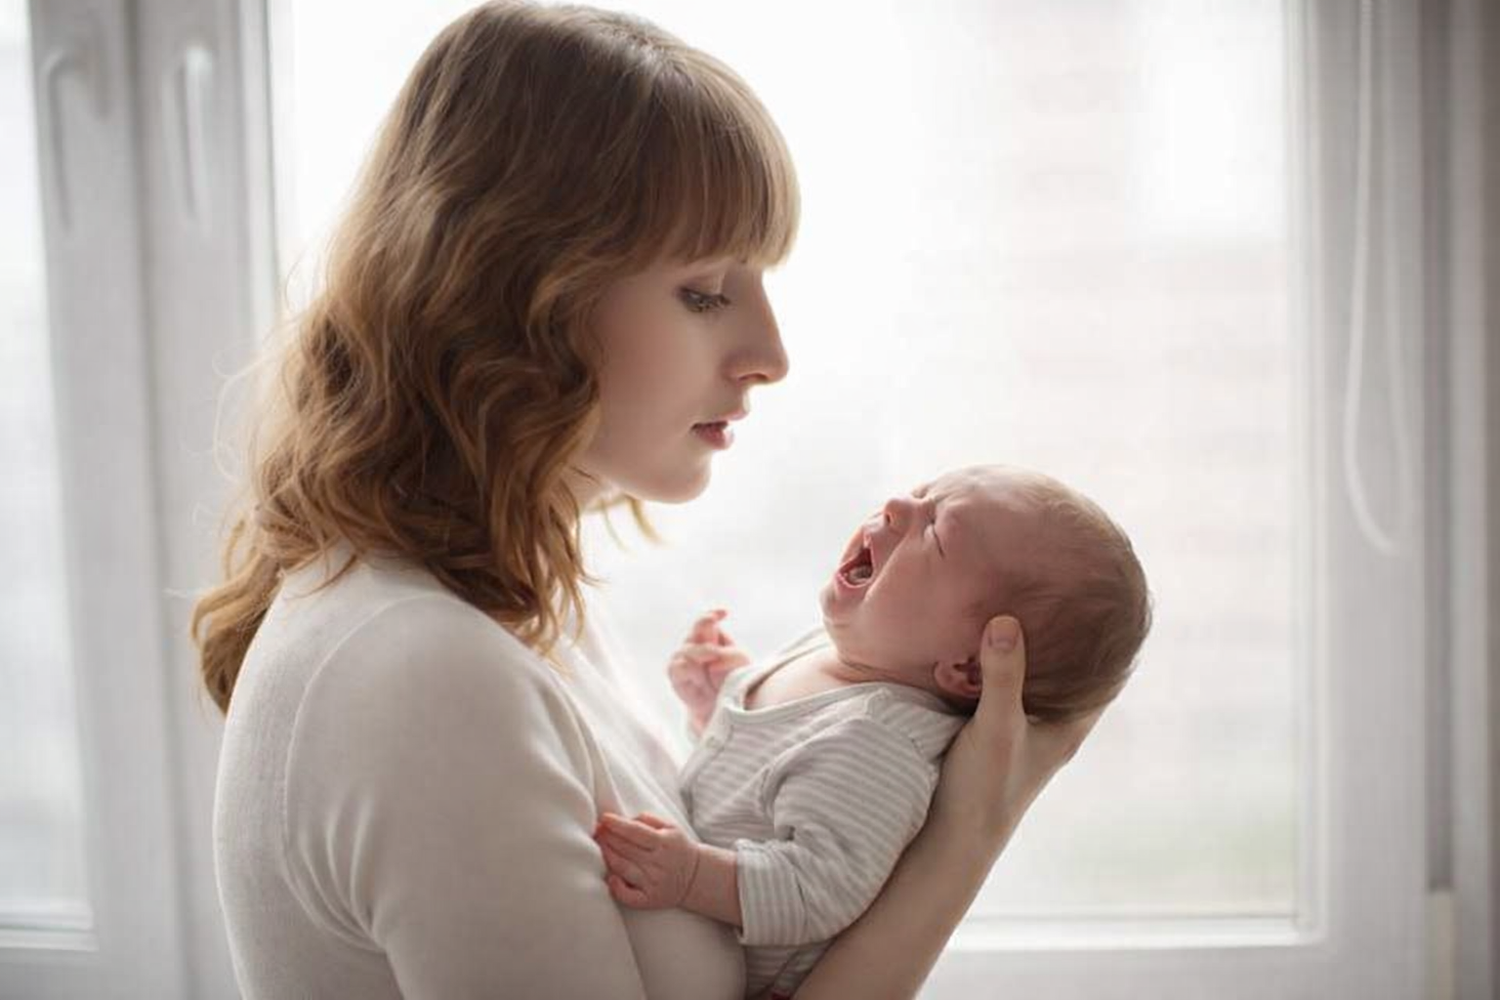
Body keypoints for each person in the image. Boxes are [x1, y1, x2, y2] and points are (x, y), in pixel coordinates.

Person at [191, 4, 1106, 998]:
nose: (771, 356)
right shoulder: (424, 672)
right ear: (523, 296)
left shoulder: (519, 602)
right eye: (706, 291)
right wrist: (964, 840)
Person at [592, 464, 1152, 999]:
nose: (897, 505)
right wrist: (715, 702)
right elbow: (761, 787)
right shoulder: (830, 656)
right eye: (922, 492)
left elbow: (814, 889)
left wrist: (692, 875)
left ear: (969, 668)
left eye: (936, 535)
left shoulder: (879, 743)